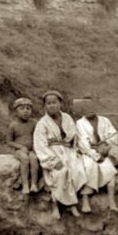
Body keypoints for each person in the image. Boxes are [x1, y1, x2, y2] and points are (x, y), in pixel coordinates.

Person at [33, 90, 91, 219]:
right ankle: (56, 205)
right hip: (52, 152)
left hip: (68, 151)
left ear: (60, 104)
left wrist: (73, 143)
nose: (52, 105)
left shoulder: (67, 118)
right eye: (48, 103)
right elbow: (40, 145)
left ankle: (74, 203)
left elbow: (74, 134)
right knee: (60, 172)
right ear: (44, 106)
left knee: (77, 169)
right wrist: (52, 161)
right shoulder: (42, 124)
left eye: (54, 102)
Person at [76, 97, 118, 212]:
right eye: (86, 107)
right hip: (89, 152)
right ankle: (85, 198)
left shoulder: (104, 120)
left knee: (109, 167)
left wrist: (106, 146)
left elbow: (114, 134)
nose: (89, 110)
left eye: (91, 106)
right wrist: (95, 154)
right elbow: (83, 143)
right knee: (90, 166)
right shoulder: (80, 123)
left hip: (104, 149)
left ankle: (111, 200)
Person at [6, 97, 40, 194]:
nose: (25, 111)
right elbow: (9, 142)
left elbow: (38, 137)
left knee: (34, 158)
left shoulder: (34, 123)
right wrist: (20, 147)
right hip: (18, 151)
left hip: (32, 149)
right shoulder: (13, 125)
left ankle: (34, 184)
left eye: (28, 109)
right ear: (16, 111)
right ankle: (25, 184)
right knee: (25, 159)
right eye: (22, 109)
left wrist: (35, 147)